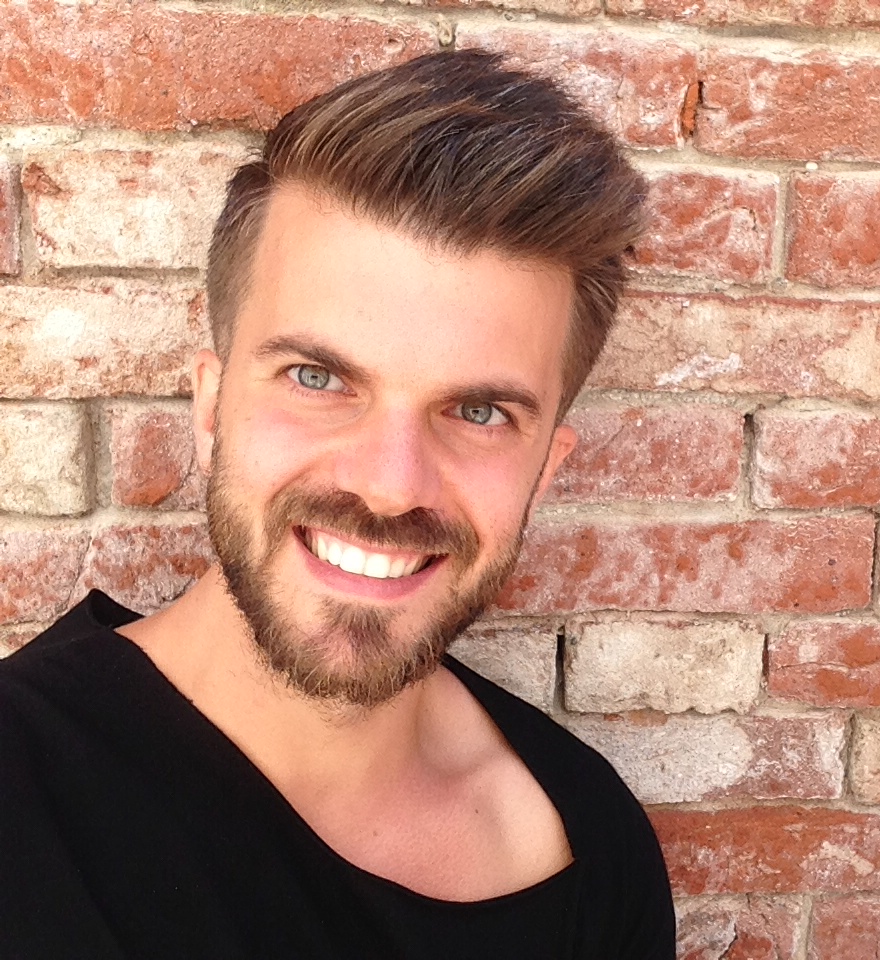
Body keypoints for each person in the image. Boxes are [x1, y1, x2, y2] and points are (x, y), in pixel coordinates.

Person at [0, 50, 674, 958]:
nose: (390, 485)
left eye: (479, 412)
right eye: (317, 378)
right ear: (211, 407)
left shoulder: (592, 845)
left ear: (544, 471)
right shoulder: (24, 798)